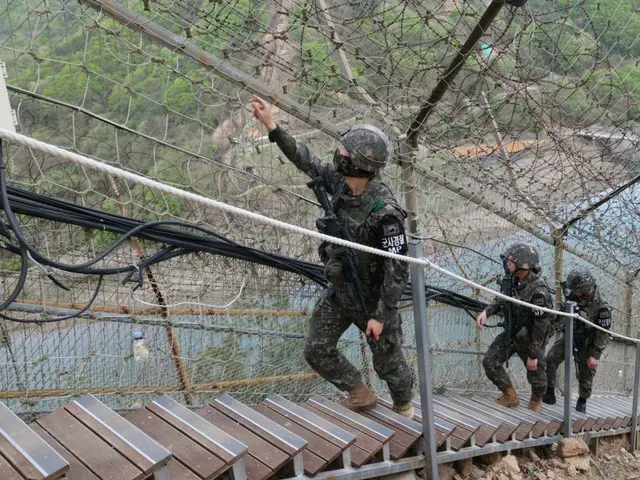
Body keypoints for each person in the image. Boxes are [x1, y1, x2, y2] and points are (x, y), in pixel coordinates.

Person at [250, 95, 414, 418]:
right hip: (342, 291)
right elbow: (306, 160)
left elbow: (398, 269)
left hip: (374, 301)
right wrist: (272, 126)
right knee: (317, 349)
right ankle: (359, 391)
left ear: (360, 165)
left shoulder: (386, 213)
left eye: (344, 153)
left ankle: (405, 410)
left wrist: (380, 315)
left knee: (390, 366)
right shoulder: (339, 183)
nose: (338, 155)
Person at [476, 243, 553, 412]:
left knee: (537, 377)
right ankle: (510, 395)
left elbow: (542, 326)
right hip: (512, 333)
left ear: (524, 265)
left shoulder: (539, 291)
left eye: (512, 260)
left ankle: (536, 398)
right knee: (490, 361)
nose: (508, 263)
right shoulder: (512, 279)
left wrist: (533, 354)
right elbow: (502, 299)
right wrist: (486, 312)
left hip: (531, 339)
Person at [542, 269, 611, 413]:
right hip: (570, 337)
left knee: (585, 375)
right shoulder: (572, 296)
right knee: (550, 359)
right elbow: (560, 318)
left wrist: (596, 355)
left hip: (589, 344)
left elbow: (603, 332)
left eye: (576, 289)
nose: (573, 292)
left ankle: (582, 400)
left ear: (585, 289)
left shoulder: (601, 305)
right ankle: (549, 392)